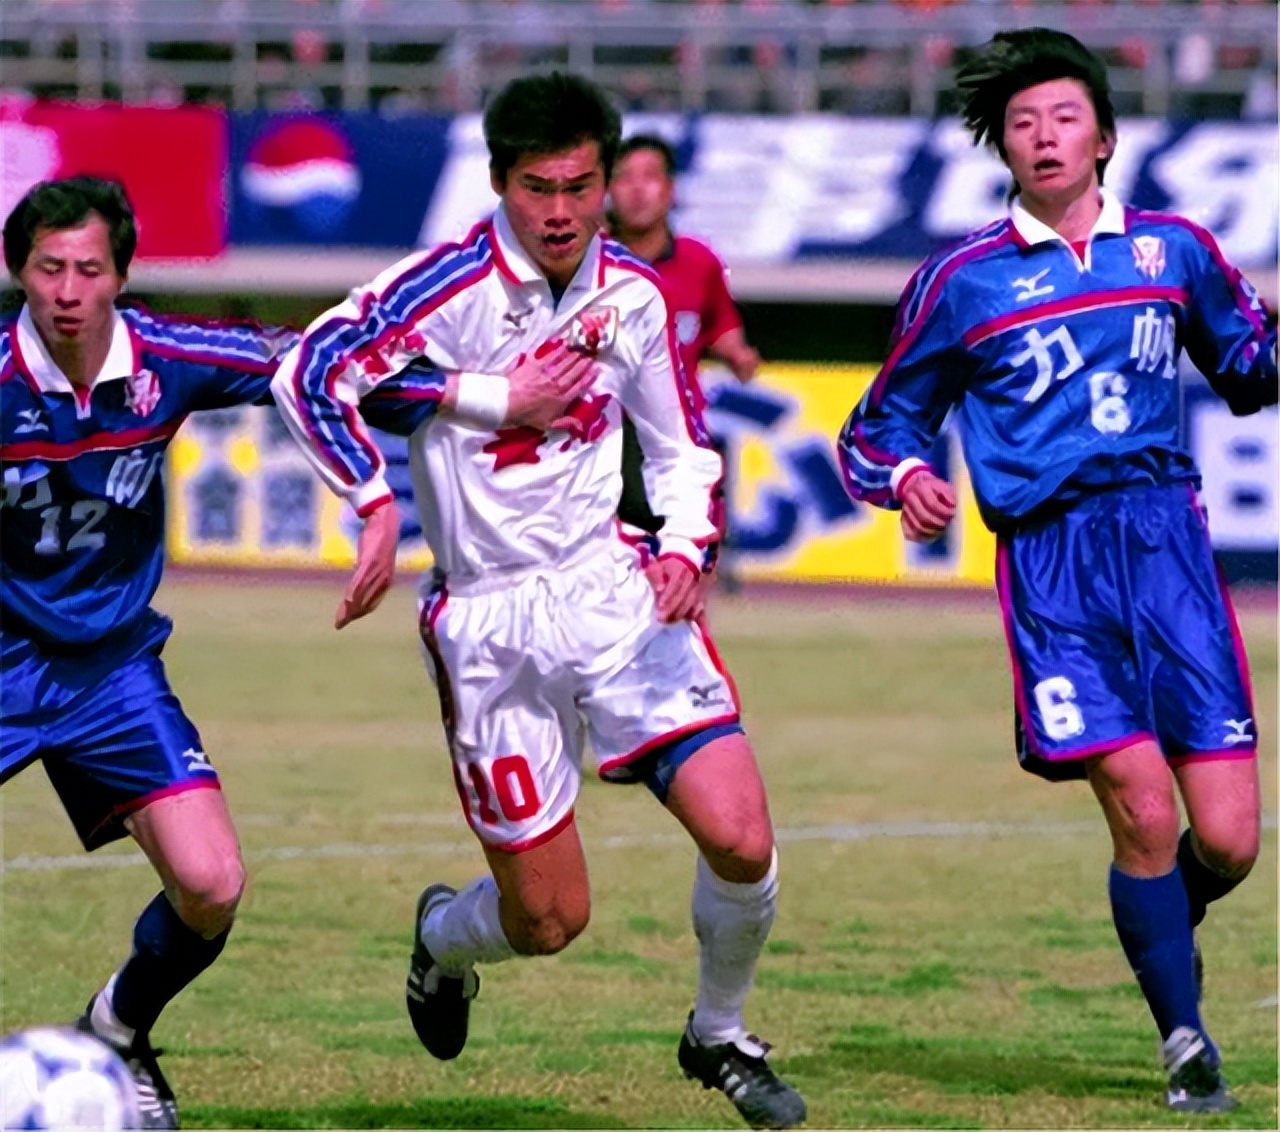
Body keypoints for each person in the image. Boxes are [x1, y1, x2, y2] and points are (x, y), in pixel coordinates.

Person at [270, 72, 806, 1130]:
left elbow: (680, 442)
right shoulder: (449, 286)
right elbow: (311, 367)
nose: (558, 211)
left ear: (608, 183)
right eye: (535, 187)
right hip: (486, 618)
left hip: (611, 592)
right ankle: (438, 941)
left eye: (578, 186)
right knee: (550, 919)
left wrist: (687, 543)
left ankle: (719, 1033)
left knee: (740, 837)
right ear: (498, 183)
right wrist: (400, 476)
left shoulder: (635, 298)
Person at [837, 29, 1275, 1114]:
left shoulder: (1172, 251)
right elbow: (872, 427)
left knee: (1224, 837)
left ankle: (1162, 923)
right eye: (1022, 122)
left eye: (1062, 117)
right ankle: (1183, 1042)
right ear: (1002, 146)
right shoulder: (958, 281)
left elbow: (1249, 376)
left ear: (1104, 139)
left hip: (1167, 547)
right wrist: (902, 480)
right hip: (1050, 562)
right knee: (1136, 805)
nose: (1041, 135)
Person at [0, 176, 299, 1130]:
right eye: (50, 268)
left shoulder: (167, 359)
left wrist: (485, 390)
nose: (70, 290)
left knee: (211, 885)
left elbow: (312, 364)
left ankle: (117, 1029)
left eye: (90, 268)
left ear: (121, 277)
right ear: (20, 275)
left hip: (113, 667)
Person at [608, 133, 760, 591]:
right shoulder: (587, 260)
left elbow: (722, 327)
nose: (637, 190)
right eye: (624, 178)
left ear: (671, 189)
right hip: (602, 431)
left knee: (681, 564)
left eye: (649, 178)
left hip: (676, 435)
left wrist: (738, 354)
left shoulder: (699, 262)